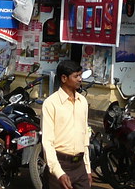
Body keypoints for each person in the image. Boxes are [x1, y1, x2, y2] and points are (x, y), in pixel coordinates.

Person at [41, 59, 91, 189]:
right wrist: (59, 173)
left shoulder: (83, 102)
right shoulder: (51, 104)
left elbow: (85, 137)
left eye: (80, 75)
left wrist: (88, 169)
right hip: (60, 164)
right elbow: (47, 142)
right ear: (64, 78)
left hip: (80, 167)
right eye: (76, 76)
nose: (80, 79)